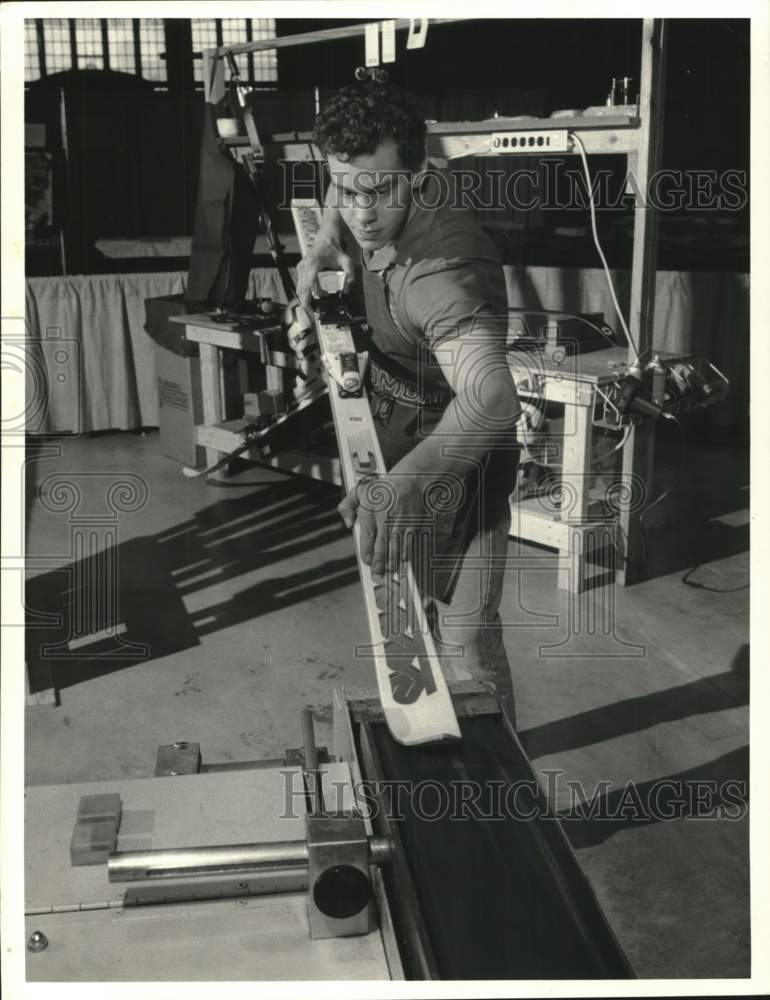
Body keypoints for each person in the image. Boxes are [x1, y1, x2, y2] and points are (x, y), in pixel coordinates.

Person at [296, 82, 521, 719]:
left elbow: (491, 400)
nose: (362, 213)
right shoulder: (369, 187)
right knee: (405, 622)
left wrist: (408, 484)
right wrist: (321, 244)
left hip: (461, 460)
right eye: (347, 188)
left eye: (380, 192)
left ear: (419, 178)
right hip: (393, 431)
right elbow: (353, 188)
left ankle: (504, 770)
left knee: (467, 640)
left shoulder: (441, 273)